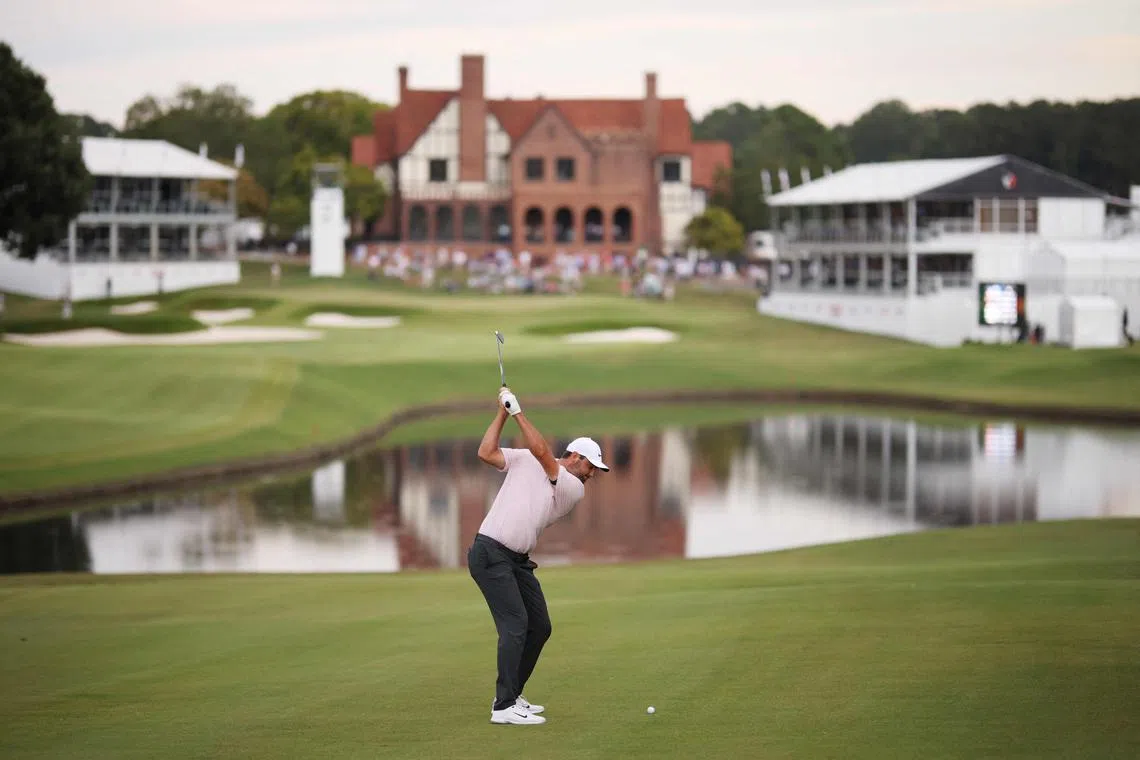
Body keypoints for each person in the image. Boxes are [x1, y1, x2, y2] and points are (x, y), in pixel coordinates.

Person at [468, 386, 608, 725]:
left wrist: (517, 412)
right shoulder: (528, 459)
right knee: (515, 625)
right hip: (490, 552)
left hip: (516, 560)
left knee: (539, 626)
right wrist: (502, 413)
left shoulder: (572, 488)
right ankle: (503, 707)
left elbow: (543, 452)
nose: (593, 475)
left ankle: (512, 695)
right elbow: (486, 452)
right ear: (576, 457)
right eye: (592, 467)